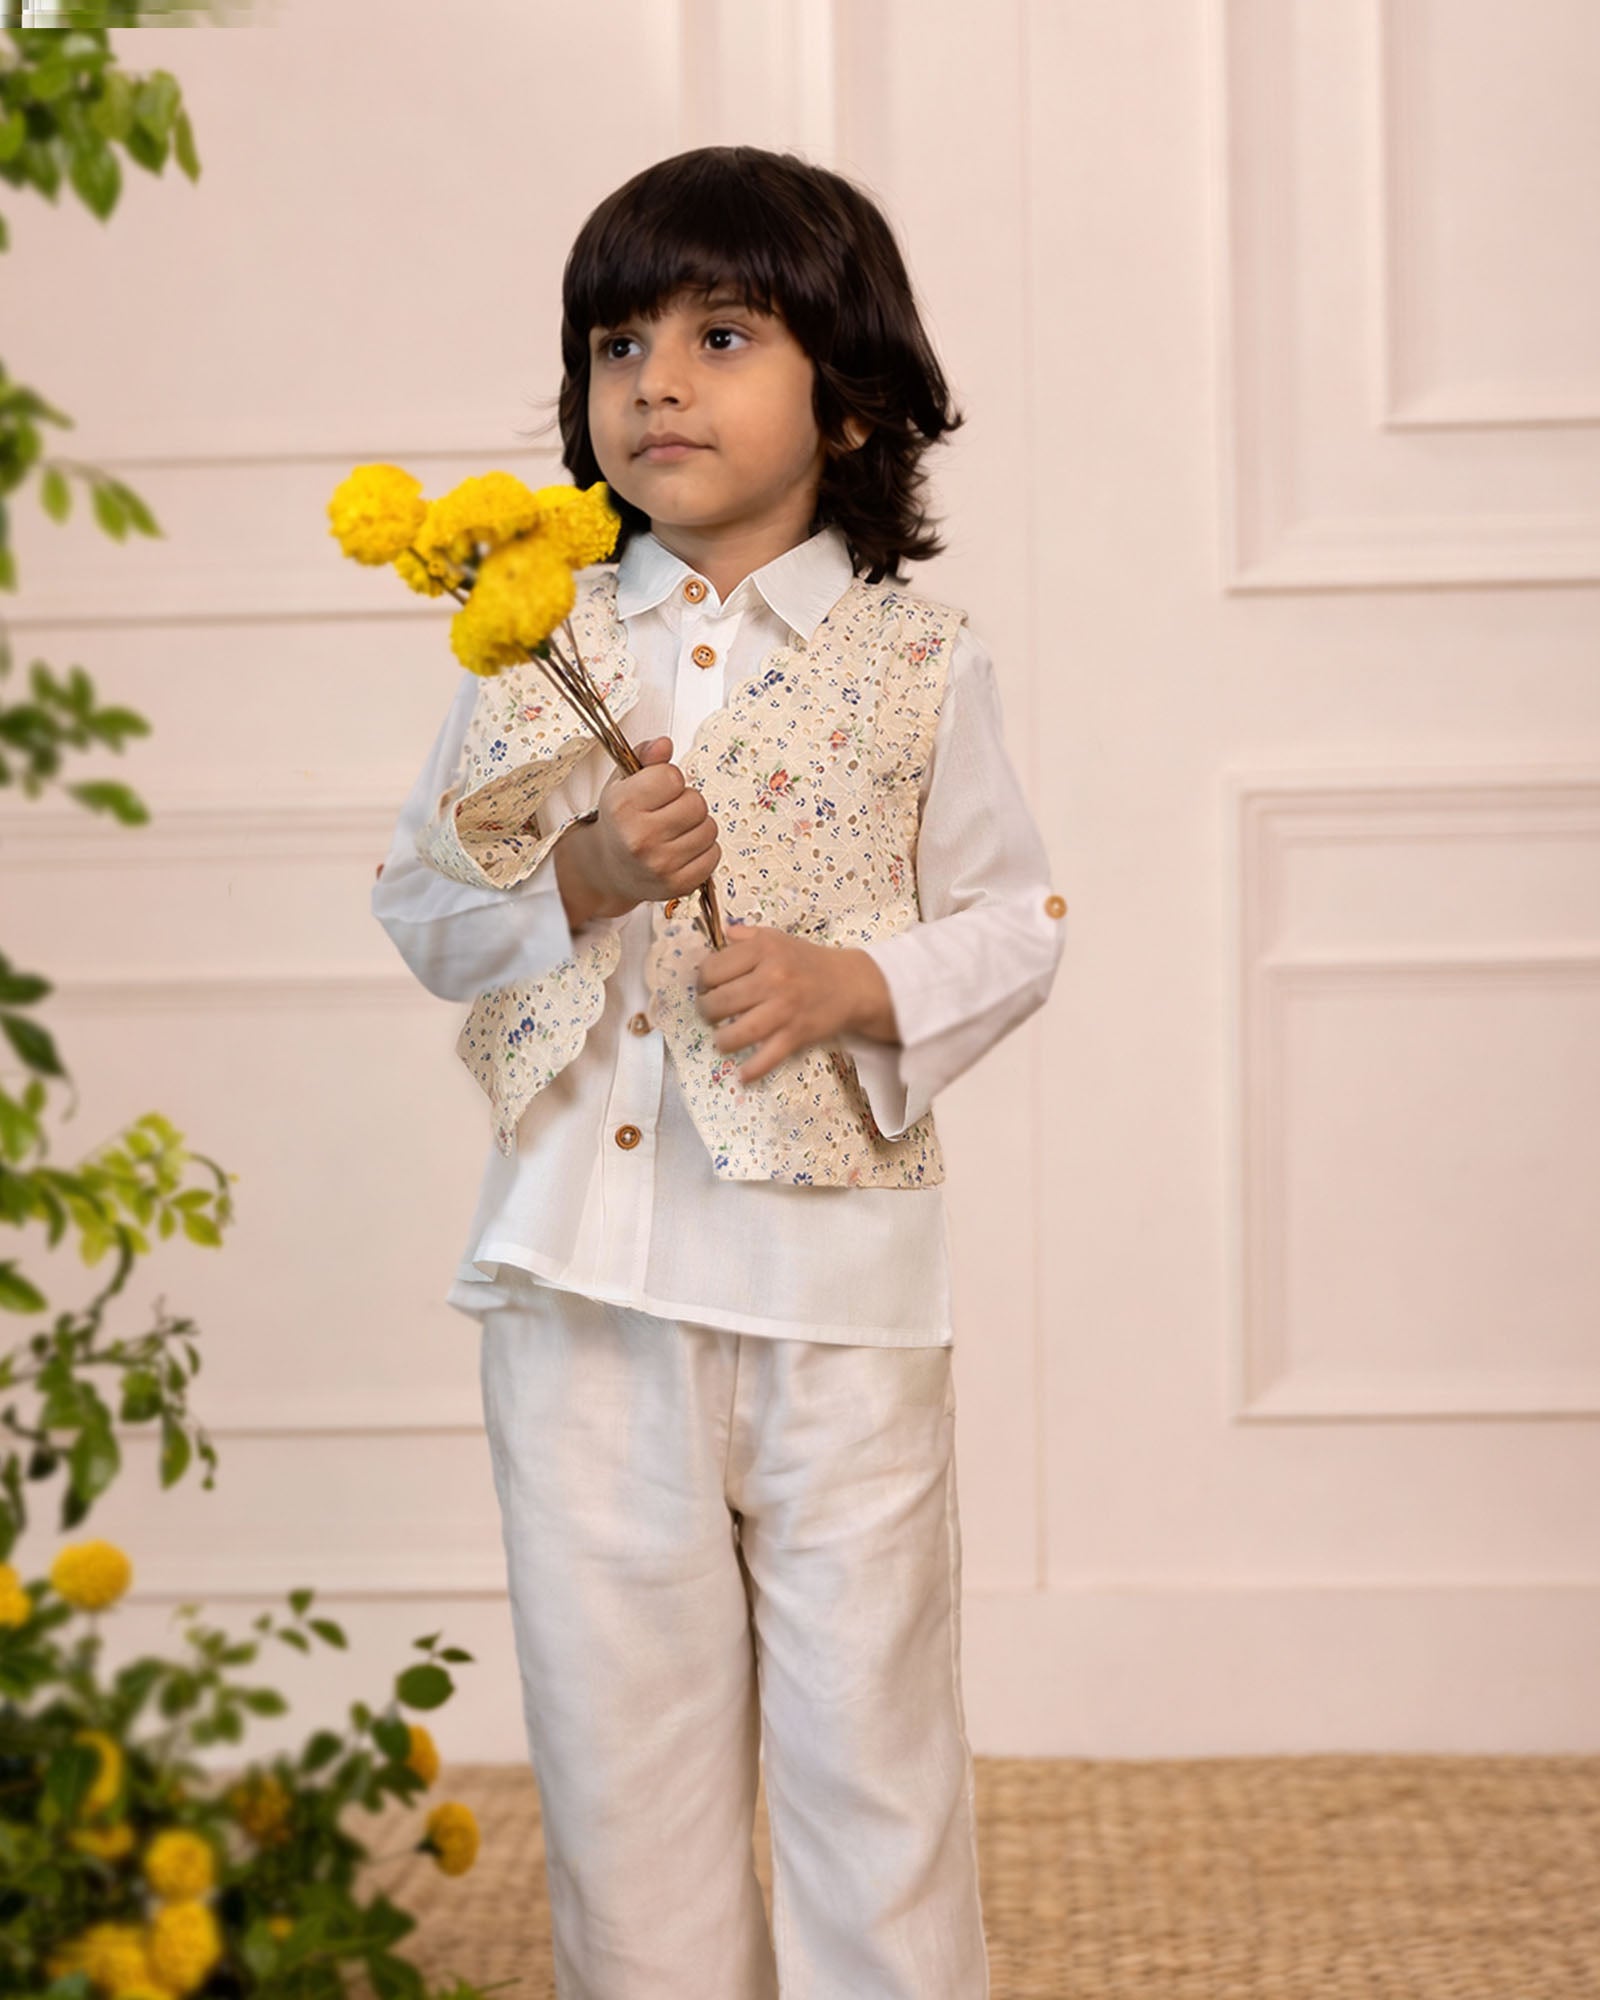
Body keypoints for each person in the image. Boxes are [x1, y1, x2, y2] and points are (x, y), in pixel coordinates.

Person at [372, 143, 1066, 2000]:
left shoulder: (920, 661)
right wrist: (578, 876)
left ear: (845, 401)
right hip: (580, 1286)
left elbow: (1019, 922)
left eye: (721, 332)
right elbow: (424, 910)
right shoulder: (531, 648)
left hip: (833, 1296)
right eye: (617, 343)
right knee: (626, 1767)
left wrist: (856, 983)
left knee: (871, 1756)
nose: (654, 381)